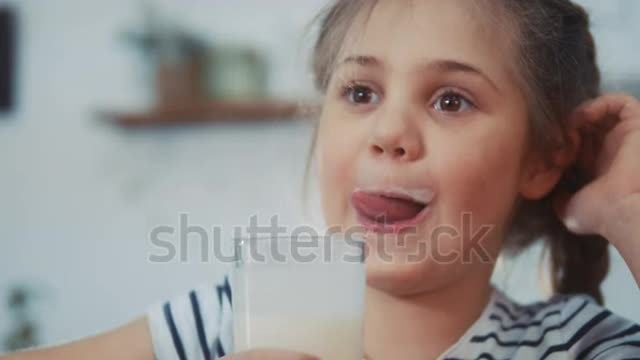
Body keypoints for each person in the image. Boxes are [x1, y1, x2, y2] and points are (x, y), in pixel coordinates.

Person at [4, 0, 640, 359]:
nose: (388, 132)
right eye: (360, 91)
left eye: (450, 101)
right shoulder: (231, 320)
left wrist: (630, 210)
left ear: (543, 159)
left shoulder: (575, 348)